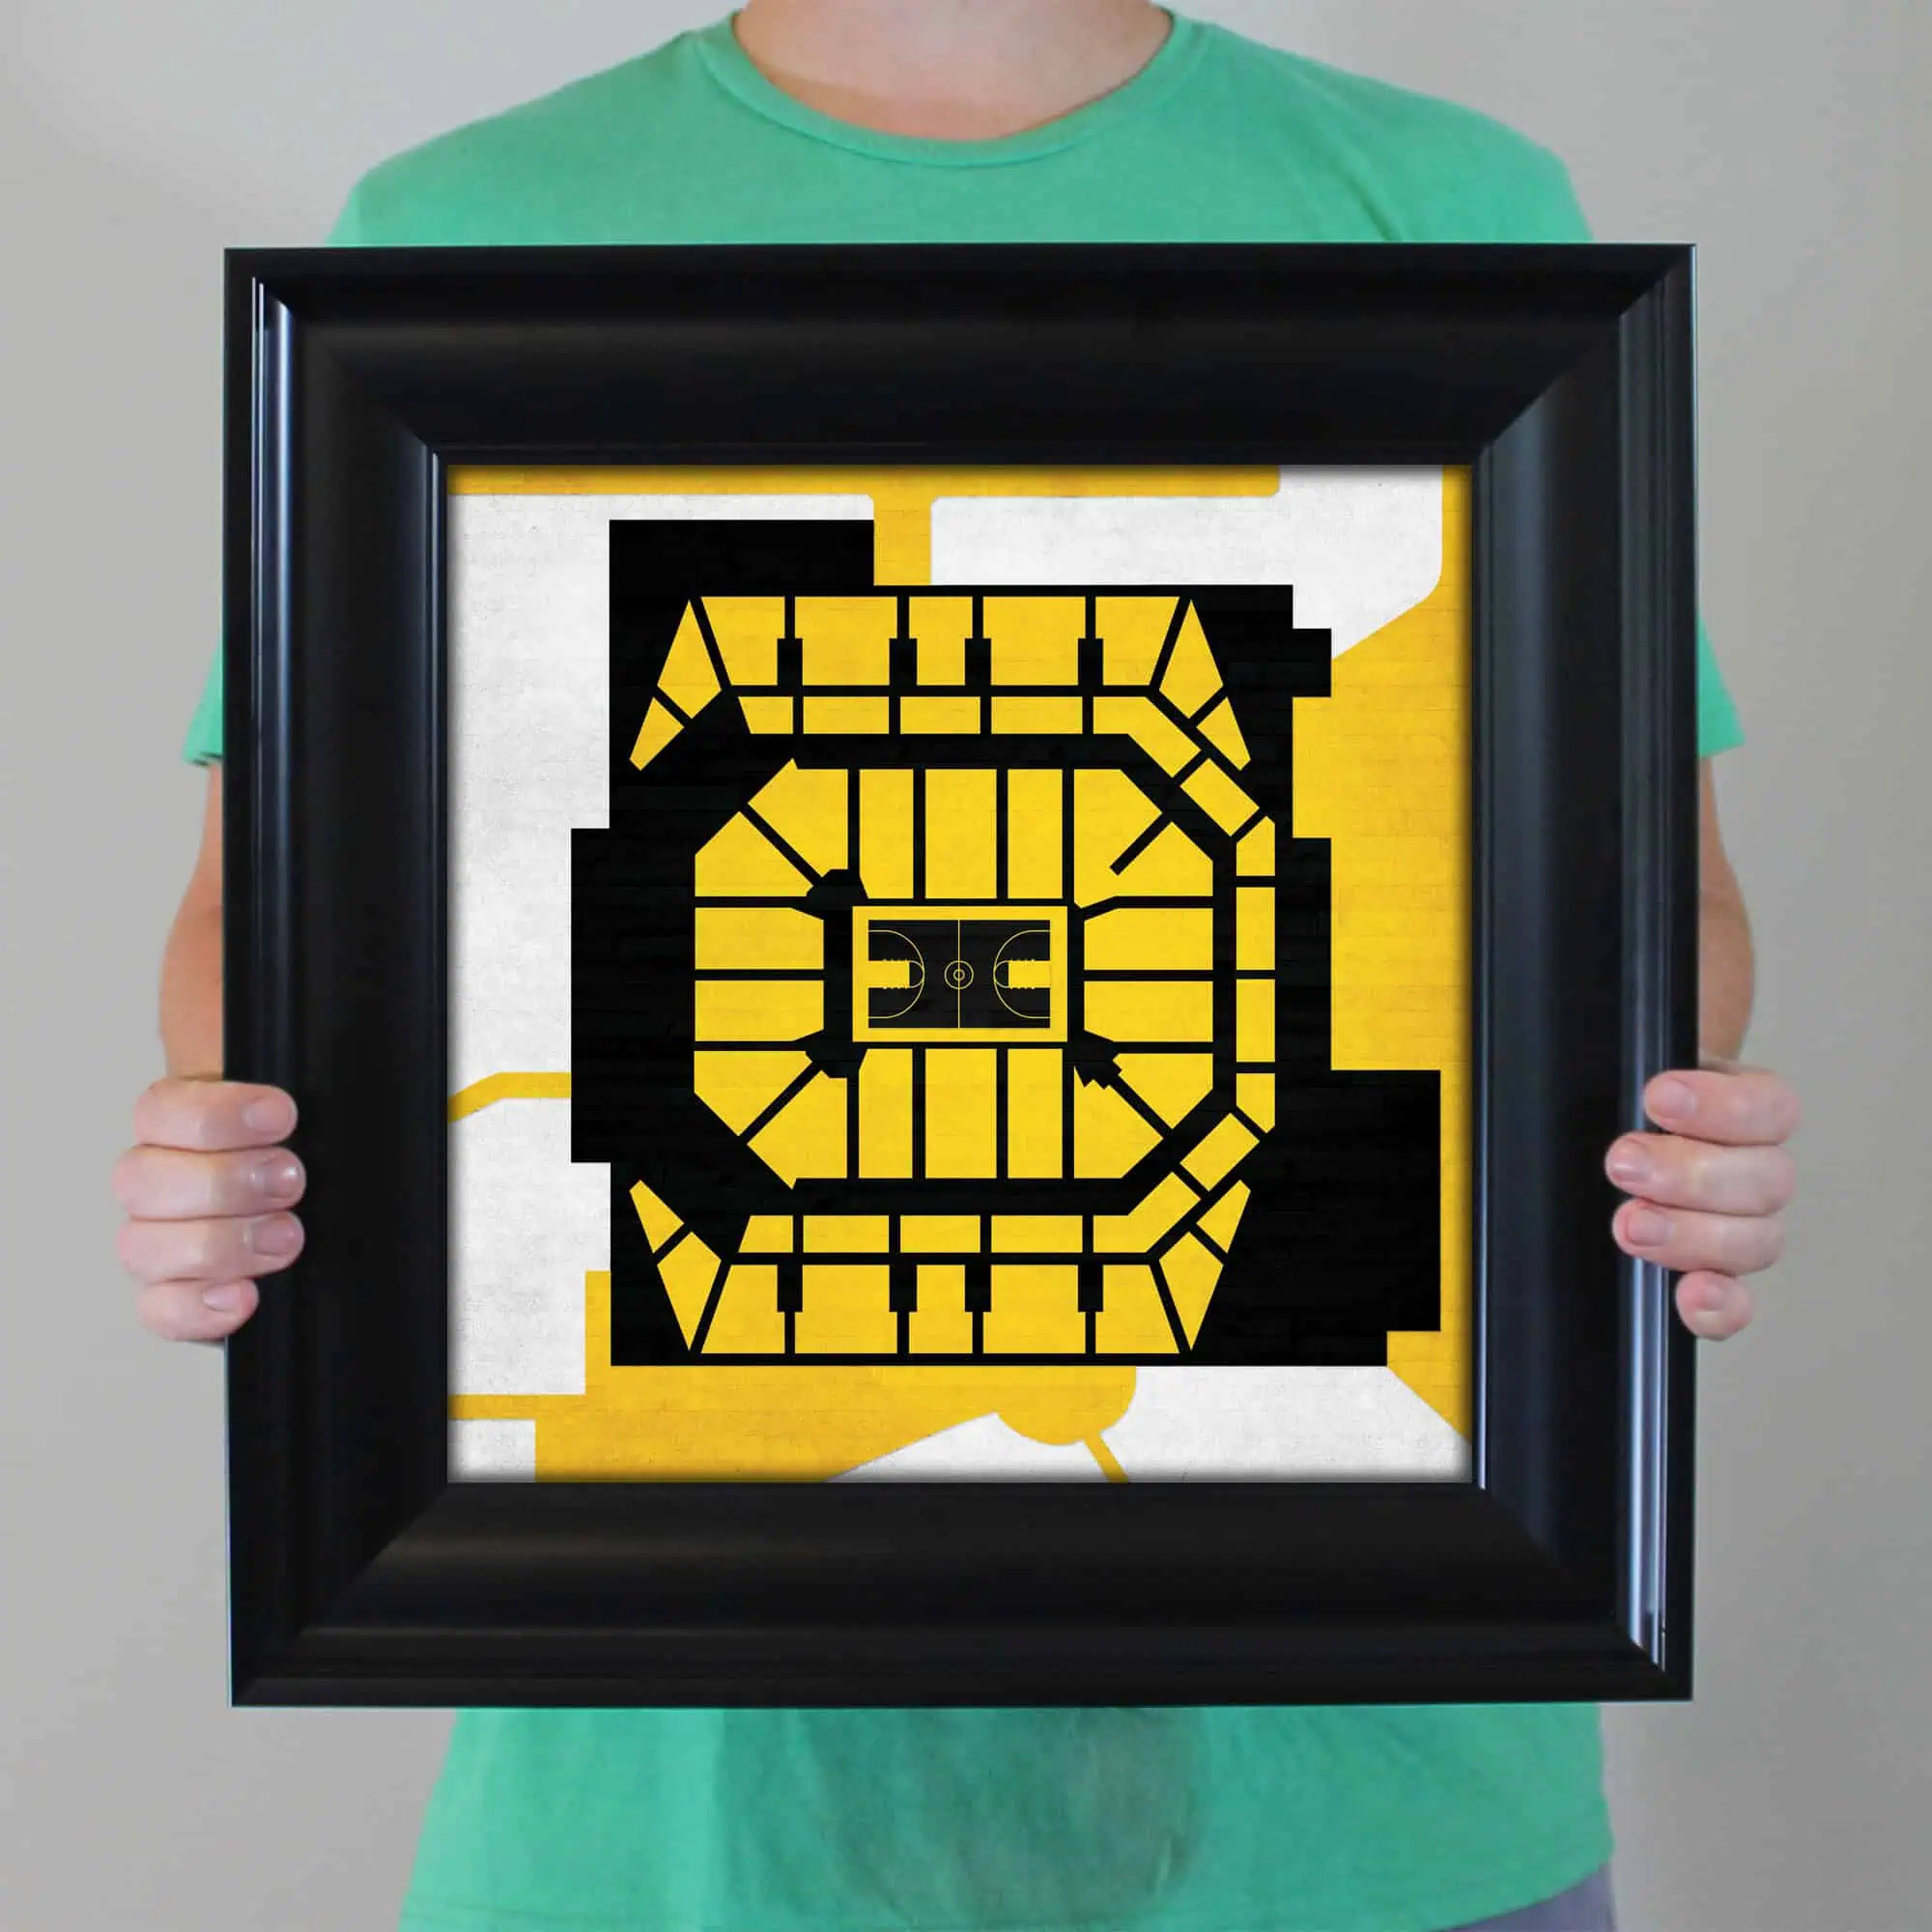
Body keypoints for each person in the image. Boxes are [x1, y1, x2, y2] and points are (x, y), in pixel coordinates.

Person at [113, 5, 1802, 1928]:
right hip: (681, 1816)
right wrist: (253, 1164)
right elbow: (272, 926)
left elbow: (1645, 901)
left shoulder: (1447, 204)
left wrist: (1654, 1135)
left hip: (1368, 1805)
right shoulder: (461, 230)